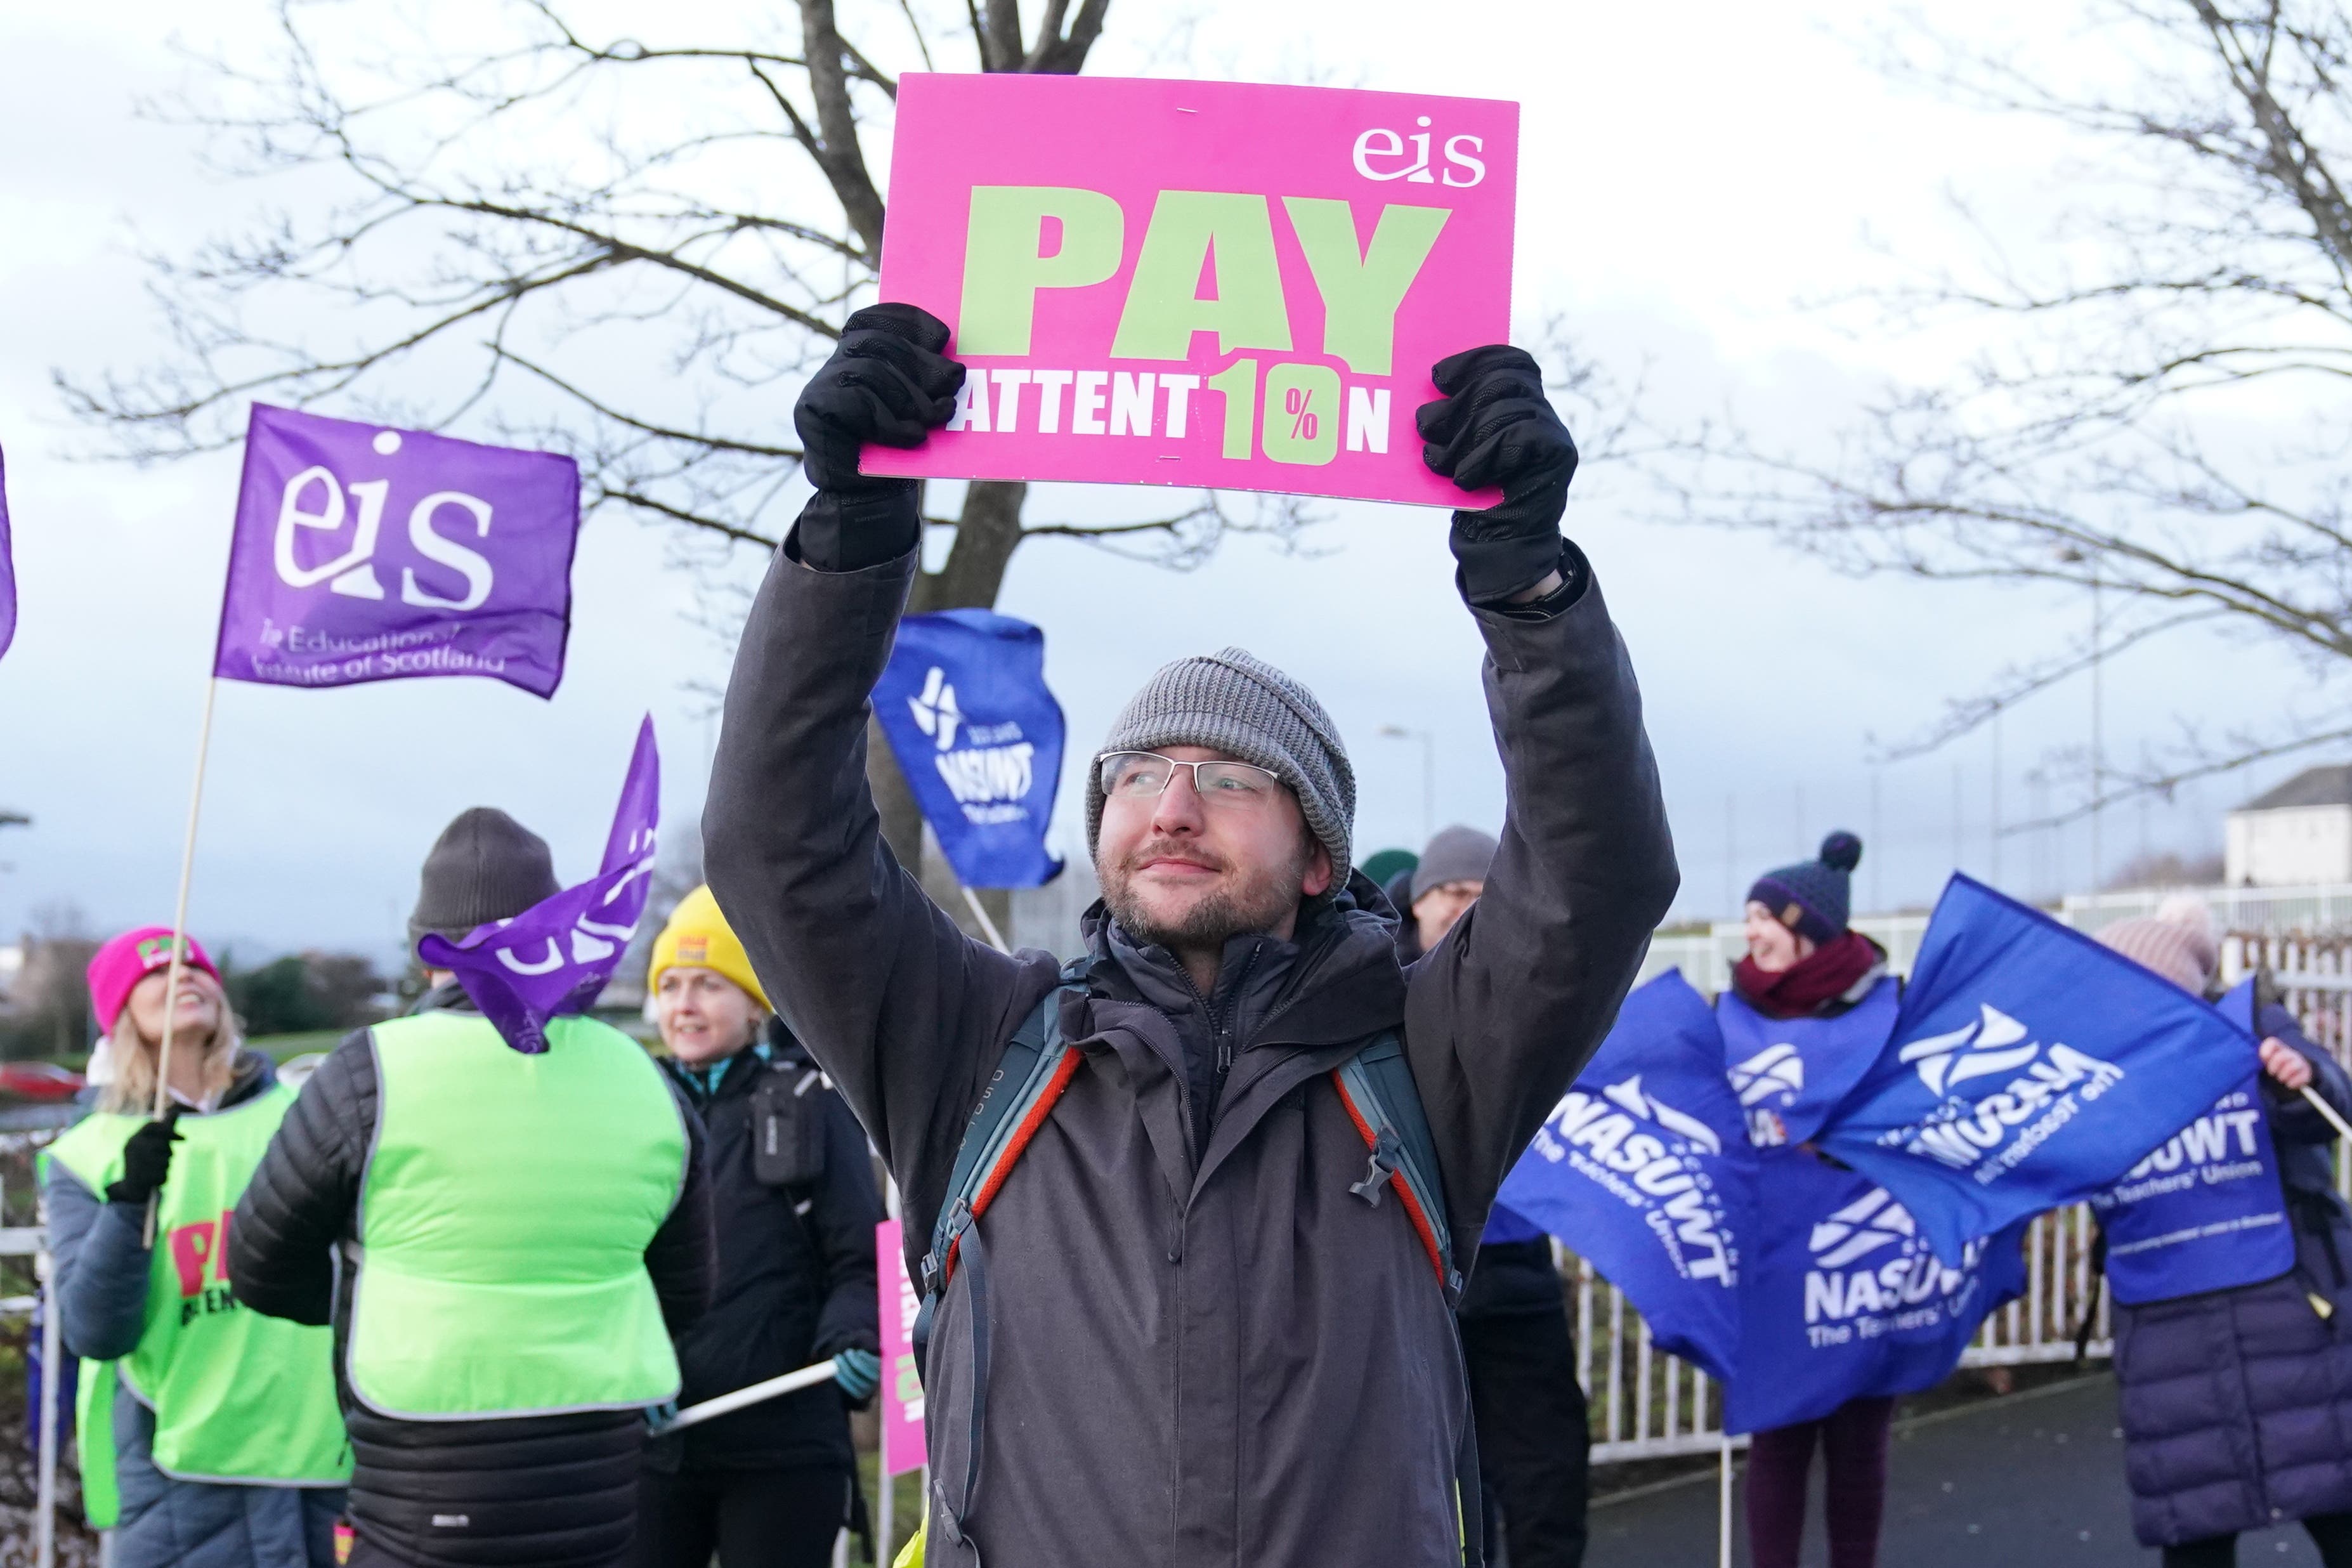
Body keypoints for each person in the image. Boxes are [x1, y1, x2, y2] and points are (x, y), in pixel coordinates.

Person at [703, 303, 1678, 1567]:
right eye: (1143, 773)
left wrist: (1531, 587)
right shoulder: (976, 1049)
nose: (1172, 807)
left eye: (1229, 778)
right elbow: (775, 845)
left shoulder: (1430, 1063)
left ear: (1321, 851)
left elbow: (1597, 877)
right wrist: (849, 542)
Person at [227, 807, 717, 1568]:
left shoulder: (369, 1072)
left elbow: (258, 1264)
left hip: (418, 1477)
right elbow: (686, 1293)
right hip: (599, 1485)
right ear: (553, 932)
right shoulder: (648, 1082)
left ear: (429, 954)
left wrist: (364, 1304)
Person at [42, 927, 348, 1568]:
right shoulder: (84, 1154)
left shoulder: (303, 1114)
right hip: (179, 1475)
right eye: (155, 973)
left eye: (195, 966)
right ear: (120, 1011)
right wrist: (128, 1204)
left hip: (324, 1456)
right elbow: (96, 1330)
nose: (182, 975)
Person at [2094, 900, 2352, 1568]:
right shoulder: (2087, 1075)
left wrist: (2300, 1084)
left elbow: (2329, 1106)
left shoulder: (2253, 1030)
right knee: (2196, 1530)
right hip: (2169, 1339)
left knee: (2338, 1503)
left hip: (2289, 1314)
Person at [634, 886, 882, 1568]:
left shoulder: (810, 1105)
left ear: (754, 1003)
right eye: (672, 985)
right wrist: (621, 1377)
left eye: (709, 984)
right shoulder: (632, 1108)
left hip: (784, 1445)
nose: (685, 1004)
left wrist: (857, 1337)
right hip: (653, 1443)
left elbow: (862, 1260)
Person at [1392, 826, 1591, 1568]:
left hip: (1513, 1272)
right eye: (1447, 890)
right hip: (1412, 1273)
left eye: (1479, 891)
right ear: (1416, 905)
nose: (1462, 904)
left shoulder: (1544, 1006)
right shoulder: (1367, 999)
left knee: (1545, 1476)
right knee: (1429, 1489)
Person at [1731, 832, 1902, 1568]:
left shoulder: (1887, 1012)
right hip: (1771, 1263)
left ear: (1806, 926)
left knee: (1860, 1445)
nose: (1750, 933)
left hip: (1865, 1255)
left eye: (1763, 917)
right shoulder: (1731, 1013)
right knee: (1777, 1441)